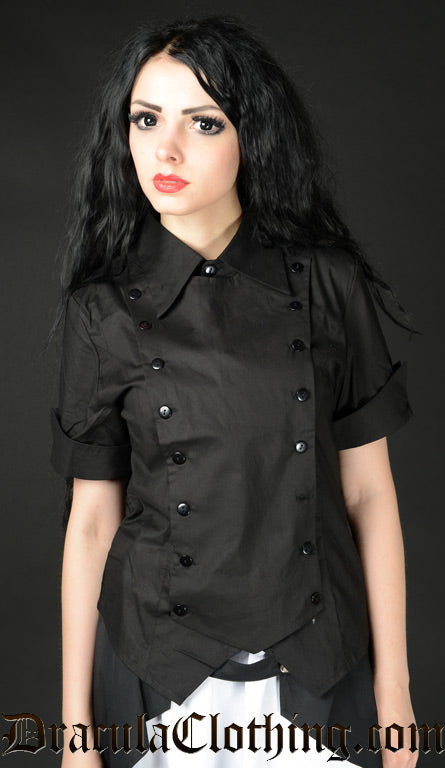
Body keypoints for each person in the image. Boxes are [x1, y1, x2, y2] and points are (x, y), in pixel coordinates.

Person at [49, 13, 419, 768]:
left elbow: (369, 497)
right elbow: (90, 523)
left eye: (203, 123)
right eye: (146, 119)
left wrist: (395, 693)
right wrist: (75, 728)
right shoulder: (100, 311)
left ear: (253, 137)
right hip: (159, 672)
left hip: (318, 664)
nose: (166, 149)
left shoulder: (327, 285)